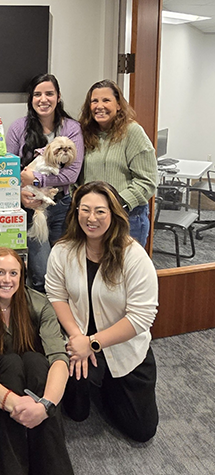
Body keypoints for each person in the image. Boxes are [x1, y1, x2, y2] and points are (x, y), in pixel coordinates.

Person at [45, 181, 159, 442]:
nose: (91, 218)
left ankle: (107, 384)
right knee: (76, 413)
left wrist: (93, 343)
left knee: (142, 430)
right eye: (84, 210)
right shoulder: (63, 251)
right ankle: (95, 382)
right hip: (77, 340)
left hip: (122, 345)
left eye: (100, 211)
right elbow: (56, 296)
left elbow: (141, 317)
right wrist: (78, 338)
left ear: (114, 213)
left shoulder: (134, 257)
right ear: (76, 213)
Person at [0, 247, 74, 475]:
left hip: (38, 386)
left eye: (14, 273)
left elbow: (59, 360)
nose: (7, 280)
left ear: (21, 276)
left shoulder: (40, 304)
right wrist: (16, 404)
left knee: (35, 360)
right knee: (11, 363)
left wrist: (45, 406)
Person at [6, 73, 84, 293]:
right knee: (41, 273)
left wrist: (38, 178)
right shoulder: (17, 128)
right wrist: (20, 193)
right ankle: (40, 322)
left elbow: (72, 174)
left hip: (61, 207)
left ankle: (61, 322)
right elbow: (6, 172)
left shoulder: (72, 128)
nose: (43, 99)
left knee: (63, 270)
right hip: (31, 207)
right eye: (37, 94)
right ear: (31, 99)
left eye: (49, 94)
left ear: (58, 97)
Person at [78, 79, 157, 247]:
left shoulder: (132, 132)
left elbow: (147, 181)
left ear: (119, 105)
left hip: (127, 219)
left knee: (125, 271)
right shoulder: (84, 134)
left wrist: (115, 204)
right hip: (92, 220)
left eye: (106, 100)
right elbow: (75, 174)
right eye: (94, 101)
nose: (100, 106)